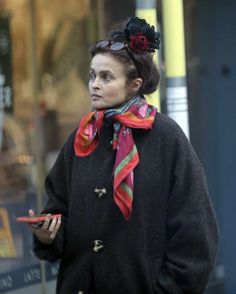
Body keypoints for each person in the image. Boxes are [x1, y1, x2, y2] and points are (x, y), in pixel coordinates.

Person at [29, 17, 219, 294]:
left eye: (106, 77)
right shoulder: (83, 135)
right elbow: (60, 209)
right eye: (92, 75)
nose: (95, 84)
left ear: (134, 84)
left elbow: (196, 236)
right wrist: (49, 235)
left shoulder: (166, 138)